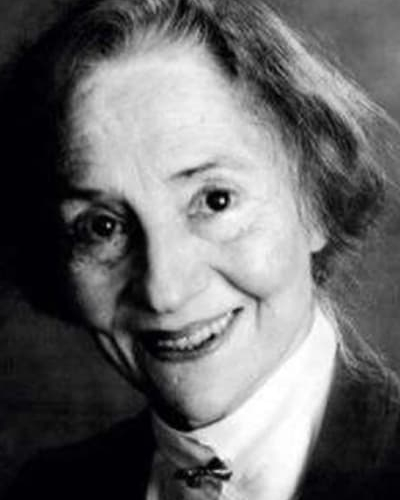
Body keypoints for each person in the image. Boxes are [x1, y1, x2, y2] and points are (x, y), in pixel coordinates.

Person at [2, 0, 400, 498]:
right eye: (103, 226)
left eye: (215, 201)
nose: (164, 291)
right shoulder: (46, 490)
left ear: (315, 199)